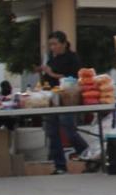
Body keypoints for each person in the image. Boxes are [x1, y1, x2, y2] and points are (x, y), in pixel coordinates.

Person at [39, 31, 94, 173]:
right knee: (52, 132)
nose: (52, 47)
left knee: (69, 130)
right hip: (52, 98)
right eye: (50, 45)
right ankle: (59, 166)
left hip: (68, 99)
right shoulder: (52, 59)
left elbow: (74, 78)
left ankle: (90, 157)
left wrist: (51, 73)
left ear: (63, 44)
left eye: (55, 44)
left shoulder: (72, 58)